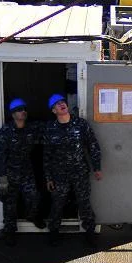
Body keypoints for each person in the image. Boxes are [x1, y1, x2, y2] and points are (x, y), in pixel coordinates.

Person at [42, 94, 102, 248]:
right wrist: (48, 177)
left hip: (79, 172)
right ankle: (54, 232)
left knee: (84, 203)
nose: (62, 104)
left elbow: (93, 146)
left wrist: (97, 167)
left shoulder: (80, 124)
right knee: (57, 204)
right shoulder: (50, 129)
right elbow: (47, 155)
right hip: (59, 175)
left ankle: (90, 232)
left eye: (63, 102)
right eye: (57, 104)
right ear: (53, 110)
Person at [0, 98, 46, 246]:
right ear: (13, 114)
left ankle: (33, 216)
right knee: (9, 204)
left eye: (24, 109)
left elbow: (51, 129)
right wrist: (1, 180)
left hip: (26, 172)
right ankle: (9, 231)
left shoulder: (32, 128)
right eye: (19, 110)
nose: (23, 112)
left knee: (34, 196)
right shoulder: (5, 132)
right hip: (9, 174)